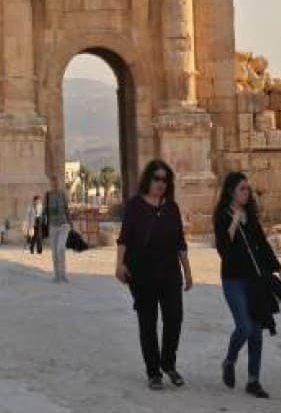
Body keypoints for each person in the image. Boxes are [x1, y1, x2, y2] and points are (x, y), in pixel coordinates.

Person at [115, 159, 193, 391]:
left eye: (164, 180)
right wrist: (119, 265)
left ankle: (168, 363)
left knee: (174, 318)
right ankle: (153, 372)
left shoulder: (172, 208)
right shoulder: (135, 205)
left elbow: (180, 242)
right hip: (142, 273)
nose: (160, 183)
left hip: (170, 272)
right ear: (148, 179)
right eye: (156, 178)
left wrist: (187, 272)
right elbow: (124, 238)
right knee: (147, 324)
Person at [214, 171, 281, 399]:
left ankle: (253, 380)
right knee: (245, 327)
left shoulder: (250, 214)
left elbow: (263, 246)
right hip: (233, 280)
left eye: (248, 189)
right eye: (242, 189)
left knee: (256, 331)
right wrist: (233, 224)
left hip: (255, 279)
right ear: (231, 191)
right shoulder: (222, 215)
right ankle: (229, 360)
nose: (247, 193)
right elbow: (224, 251)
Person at [43, 175, 71, 282]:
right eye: (53, 182)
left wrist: (70, 223)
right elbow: (44, 212)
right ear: (50, 184)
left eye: (56, 182)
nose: (55, 184)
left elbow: (66, 209)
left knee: (61, 249)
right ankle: (57, 275)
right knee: (54, 252)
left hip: (63, 225)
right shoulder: (47, 196)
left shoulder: (62, 194)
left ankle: (63, 274)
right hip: (53, 226)